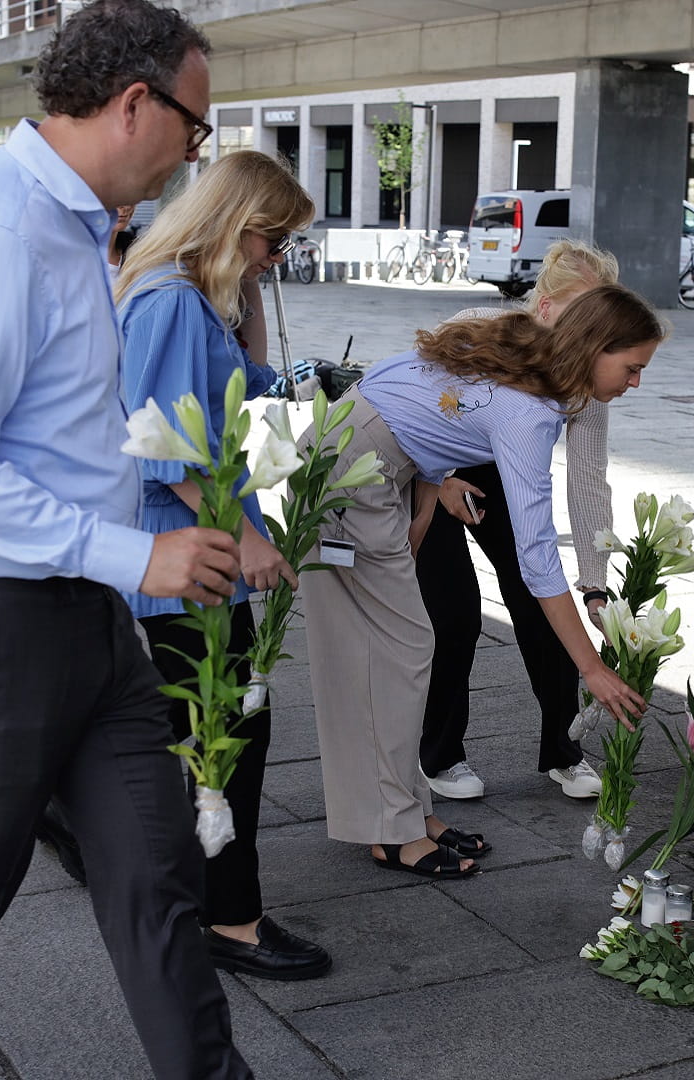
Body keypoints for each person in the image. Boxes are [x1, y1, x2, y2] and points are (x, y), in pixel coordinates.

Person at [0, 5, 253, 1079]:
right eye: (195, 127)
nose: (193, 154)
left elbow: (61, 433)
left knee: (158, 877)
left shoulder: (66, 222)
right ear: (134, 104)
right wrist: (137, 556)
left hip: (81, 616)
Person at [302, 284, 662, 878]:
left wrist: (428, 496)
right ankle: (390, 828)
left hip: (368, 458)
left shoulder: (528, 357)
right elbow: (538, 557)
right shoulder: (530, 411)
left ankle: (406, 815)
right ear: (596, 348)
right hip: (347, 466)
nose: (636, 383)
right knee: (394, 650)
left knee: (403, 648)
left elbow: (425, 402)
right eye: (632, 368)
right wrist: (593, 670)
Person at [112, 148, 325, 979]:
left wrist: (247, 300)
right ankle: (231, 919)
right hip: (191, 552)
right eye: (274, 240)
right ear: (238, 226)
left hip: (200, 546)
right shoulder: (170, 303)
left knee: (214, 731)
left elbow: (251, 382)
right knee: (226, 734)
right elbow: (164, 448)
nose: (279, 258)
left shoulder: (193, 299)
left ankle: (203, 897)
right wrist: (248, 539)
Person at [417, 240, 621, 802]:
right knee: (453, 613)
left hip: (504, 473)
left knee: (540, 599)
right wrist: (438, 482)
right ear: (547, 307)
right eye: (581, 314)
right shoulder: (476, 326)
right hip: (434, 471)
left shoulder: (589, 373)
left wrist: (596, 584)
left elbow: (587, 479)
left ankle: (563, 749)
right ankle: (439, 755)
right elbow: (411, 408)